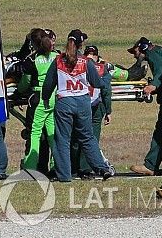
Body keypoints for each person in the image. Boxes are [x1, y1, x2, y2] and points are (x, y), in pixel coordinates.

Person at [41, 29, 113, 182]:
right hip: (82, 103)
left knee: (63, 140)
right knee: (87, 137)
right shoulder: (86, 62)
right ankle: (102, 168)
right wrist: (107, 80)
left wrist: (45, 98)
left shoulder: (58, 60)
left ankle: (65, 175)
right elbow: (97, 83)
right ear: (81, 45)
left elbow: (48, 83)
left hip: (64, 102)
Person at [128, 36, 162, 175]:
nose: (135, 57)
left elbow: (160, 70)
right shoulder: (160, 52)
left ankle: (150, 165)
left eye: (135, 53)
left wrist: (152, 86)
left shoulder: (153, 54)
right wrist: (155, 88)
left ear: (142, 48)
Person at [71, 44, 112, 179]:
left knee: (75, 137)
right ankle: (86, 168)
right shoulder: (102, 68)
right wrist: (108, 110)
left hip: (79, 104)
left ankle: (73, 166)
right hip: (94, 106)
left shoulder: (78, 65)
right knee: (91, 138)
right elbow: (106, 90)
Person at [20, 32, 58, 174]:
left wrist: (19, 91)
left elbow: (26, 82)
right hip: (54, 97)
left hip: (38, 97)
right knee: (52, 133)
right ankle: (57, 164)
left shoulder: (32, 60)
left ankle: (30, 165)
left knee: (35, 133)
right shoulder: (57, 56)